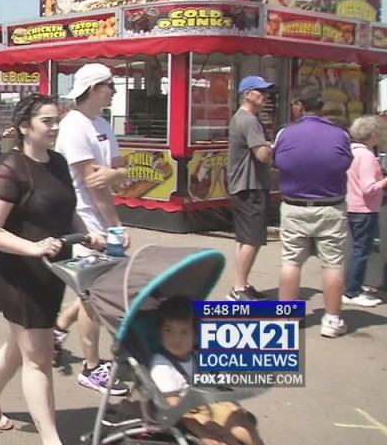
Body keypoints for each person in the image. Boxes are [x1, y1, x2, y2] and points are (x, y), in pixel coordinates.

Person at [0, 94, 105, 444]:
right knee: (39, 357)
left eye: (57, 120)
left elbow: (64, 210)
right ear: (26, 126)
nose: (55, 127)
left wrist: (89, 234)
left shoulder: (57, 162)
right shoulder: (8, 169)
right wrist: (34, 247)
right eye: (47, 121)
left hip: (51, 269)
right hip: (16, 273)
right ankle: (51, 437)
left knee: (23, 341)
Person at [53, 63, 130, 396]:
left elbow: (117, 170)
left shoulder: (102, 124)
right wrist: (115, 226)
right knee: (94, 296)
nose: (113, 89)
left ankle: (58, 327)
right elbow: (93, 181)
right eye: (109, 84)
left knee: (94, 291)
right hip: (83, 221)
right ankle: (91, 367)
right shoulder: (74, 126)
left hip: (102, 219)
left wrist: (113, 174)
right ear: (94, 88)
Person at [273, 84, 354, 338]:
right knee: (332, 263)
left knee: (291, 261)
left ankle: (287, 318)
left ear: (299, 106)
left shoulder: (285, 133)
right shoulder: (340, 134)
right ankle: (331, 320)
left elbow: (278, 162)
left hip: (294, 206)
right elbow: (345, 163)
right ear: (321, 106)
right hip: (331, 207)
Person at [150, 295, 265, 445]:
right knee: (222, 437)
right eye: (168, 330)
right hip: (188, 413)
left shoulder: (195, 355)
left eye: (184, 332)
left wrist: (232, 403)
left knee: (242, 424)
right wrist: (203, 433)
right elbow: (175, 407)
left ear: (195, 335)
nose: (175, 339)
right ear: (160, 332)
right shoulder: (162, 367)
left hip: (206, 401)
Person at [227, 76, 276, 301]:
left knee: (244, 239)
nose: (265, 96)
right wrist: (273, 146)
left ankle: (242, 284)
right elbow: (262, 155)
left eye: (266, 92)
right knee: (252, 240)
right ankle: (239, 289)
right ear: (247, 94)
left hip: (245, 186)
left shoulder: (246, 118)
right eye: (260, 91)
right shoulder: (248, 120)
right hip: (250, 186)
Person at [344, 115, 386, 307]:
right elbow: (369, 188)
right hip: (365, 208)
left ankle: (353, 286)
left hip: (351, 205)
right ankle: (353, 290)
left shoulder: (350, 152)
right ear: (372, 134)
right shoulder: (367, 156)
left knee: (355, 248)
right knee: (362, 249)